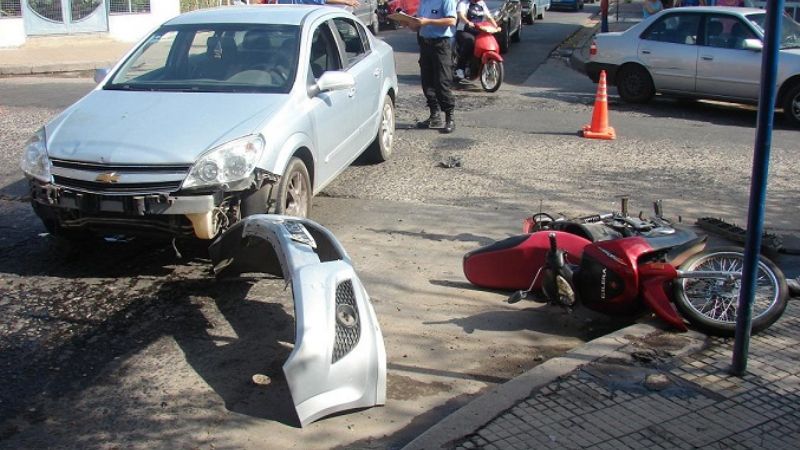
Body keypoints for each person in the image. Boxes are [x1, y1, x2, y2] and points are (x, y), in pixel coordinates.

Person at [408, 0, 458, 133]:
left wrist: (428, 21)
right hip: (425, 44)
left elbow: (451, 21)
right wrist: (409, 22)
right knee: (427, 81)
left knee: (442, 82)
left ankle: (449, 117)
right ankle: (434, 115)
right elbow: (418, 24)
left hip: (441, 44)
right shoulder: (424, 1)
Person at [455, 0, 497, 80]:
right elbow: (460, 14)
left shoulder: (481, 4)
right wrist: (468, 22)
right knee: (470, 41)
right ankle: (460, 68)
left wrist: (496, 26)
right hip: (464, 30)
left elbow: (488, 17)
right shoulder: (464, 3)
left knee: (486, 41)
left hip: (478, 30)